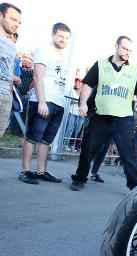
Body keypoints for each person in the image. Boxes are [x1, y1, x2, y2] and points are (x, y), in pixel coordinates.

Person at [70, 35, 137, 191]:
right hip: (101, 117)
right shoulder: (100, 64)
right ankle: (80, 179)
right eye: (125, 48)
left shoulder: (134, 71)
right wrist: (83, 102)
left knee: (128, 154)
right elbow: (87, 84)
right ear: (116, 46)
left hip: (124, 120)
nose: (128, 52)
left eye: (130, 50)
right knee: (88, 148)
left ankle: (134, 186)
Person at [18, 22, 71, 184]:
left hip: (58, 102)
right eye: (60, 36)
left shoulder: (64, 57)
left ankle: (40, 171)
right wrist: (42, 102)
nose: (63, 40)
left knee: (46, 140)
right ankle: (25, 171)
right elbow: (37, 77)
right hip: (43, 100)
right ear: (53, 35)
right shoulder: (44, 49)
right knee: (33, 137)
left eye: (67, 37)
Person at [0, 2, 22, 138]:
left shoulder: (12, 45)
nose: (17, 24)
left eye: (19, 22)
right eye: (13, 19)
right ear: (1, 15)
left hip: (6, 97)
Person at [64, 78, 83, 151]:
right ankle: (64, 144)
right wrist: (76, 101)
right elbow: (69, 101)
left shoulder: (83, 93)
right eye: (76, 82)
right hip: (72, 112)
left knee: (76, 131)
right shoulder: (72, 91)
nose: (77, 83)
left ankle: (71, 145)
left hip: (80, 114)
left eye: (79, 82)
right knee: (69, 128)